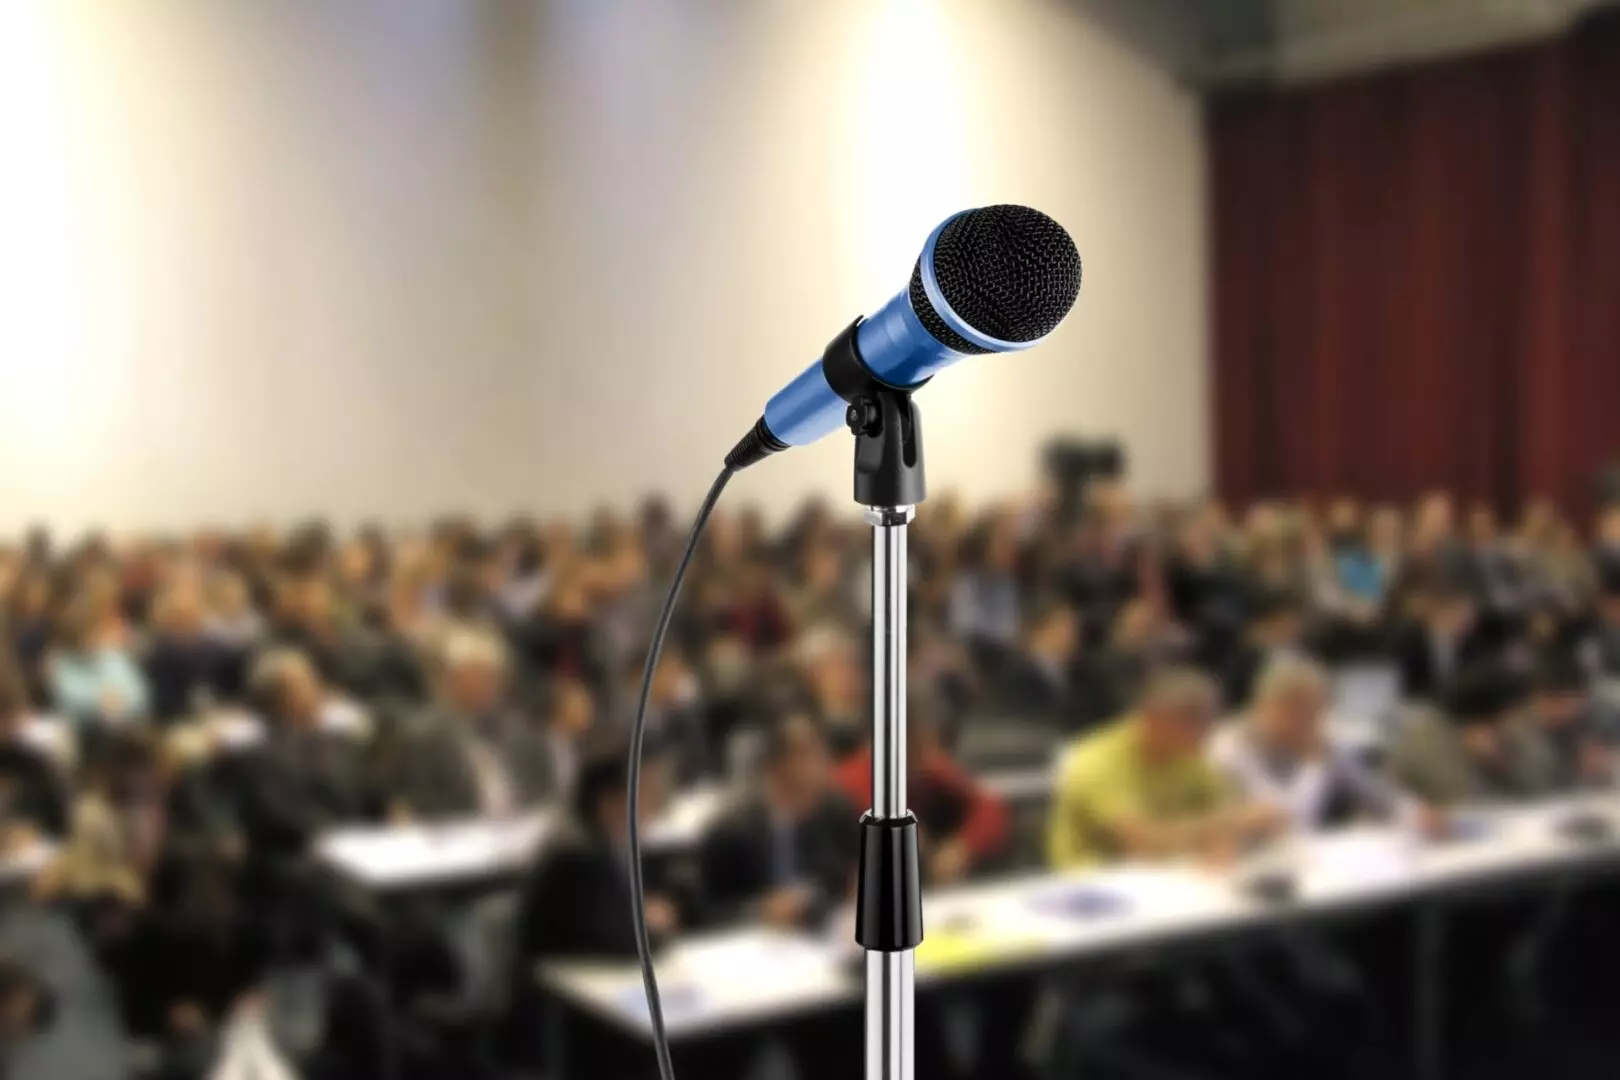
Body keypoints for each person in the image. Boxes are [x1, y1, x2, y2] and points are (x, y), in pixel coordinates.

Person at [1048, 666, 1284, 868]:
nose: (1204, 735)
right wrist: (1225, 825)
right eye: (1192, 722)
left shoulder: (1190, 753)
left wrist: (1234, 829)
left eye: (1207, 722)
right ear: (1153, 719)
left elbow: (1230, 811)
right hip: (1097, 882)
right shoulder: (1095, 761)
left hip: (1175, 873)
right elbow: (1144, 844)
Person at [1211, 655, 1411, 831]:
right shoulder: (1230, 746)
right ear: (1270, 707)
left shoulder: (1319, 743)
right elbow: (1287, 820)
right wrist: (1312, 764)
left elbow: (1377, 795)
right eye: (1304, 713)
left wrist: (1412, 813)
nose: (1313, 723)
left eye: (1316, 713)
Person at [698, 713, 858, 929]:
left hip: (820, 940)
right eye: (807, 755)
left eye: (822, 753)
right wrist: (758, 909)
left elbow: (845, 877)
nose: (820, 766)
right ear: (774, 767)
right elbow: (702, 912)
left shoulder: (835, 815)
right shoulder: (730, 832)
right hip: (751, 945)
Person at [834, 693, 1008, 885]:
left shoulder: (929, 767)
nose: (931, 749)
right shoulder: (849, 784)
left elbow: (989, 807)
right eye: (922, 740)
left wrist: (963, 847)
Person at [383, 629, 556, 820]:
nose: (487, 685)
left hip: (522, 831)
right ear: (449, 680)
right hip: (458, 836)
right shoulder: (422, 736)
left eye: (493, 676)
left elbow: (542, 792)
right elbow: (422, 804)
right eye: (476, 675)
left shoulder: (519, 731)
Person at [1385, 666, 1559, 805]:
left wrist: (1503, 763)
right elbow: (1467, 802)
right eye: (1515, 711)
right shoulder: (1427, 739)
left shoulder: (1514, 729)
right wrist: (1477, 758)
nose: (1522, 718)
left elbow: (1543, 783)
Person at [993, 600, 1114, 733]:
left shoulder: (1087, 674)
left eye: (1074, 628)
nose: (1073, 635)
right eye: (1064, 627)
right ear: (1039, 631)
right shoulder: (1014, 677)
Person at [142, 582, 239, 724]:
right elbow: (160, 702)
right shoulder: (158, 654)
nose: (186, 620)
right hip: (175, 720)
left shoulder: (216, 648)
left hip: (219, 717)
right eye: (179, 615)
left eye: (191, 613)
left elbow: (231, 689)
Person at [45, 599, 149, 731]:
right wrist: (100, 701)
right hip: (80, 730)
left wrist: (119, 701)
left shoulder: (111, 654)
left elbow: (140, 696)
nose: (92, 637)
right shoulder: (58, 661)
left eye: (95, 630)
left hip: (123, 725)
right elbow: (68, 698)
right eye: (87, 631)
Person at [1525, 654, 1619, 791]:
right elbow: (1535, 784)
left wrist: (1610, 760)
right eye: (1552, 701)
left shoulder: (1601, 715)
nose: (1556, 710)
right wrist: (1576, 769)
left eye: (1567, 702)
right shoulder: (1524, 732)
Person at [1393, 581, 1493, 701]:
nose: (1468, 623)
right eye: (1460, 614)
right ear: (1441, 611)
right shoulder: (1410, 642)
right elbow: (1407, 689)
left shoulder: (1473, 644)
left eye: (1470, 617)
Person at [1220, 588, 1310, 710]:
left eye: (1297, 620)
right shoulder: (1248, 653)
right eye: (1287, 620)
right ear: (1271, 620)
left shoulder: (1299, 653)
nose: (1295, 626)